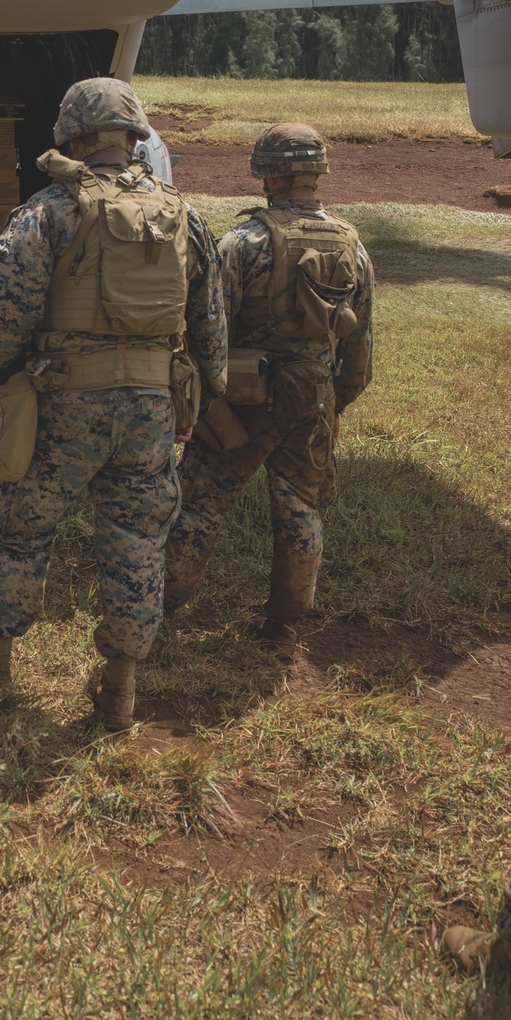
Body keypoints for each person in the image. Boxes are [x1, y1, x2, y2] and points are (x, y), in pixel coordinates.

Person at [0, 77, 227, 730]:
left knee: (18, 524)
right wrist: (198, 396)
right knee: (137, 541)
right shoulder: (183, 215)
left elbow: (0, 315)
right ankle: (121, 690)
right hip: (151, 412)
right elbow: (212, 324)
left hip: (64, 406)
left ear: (71, 136)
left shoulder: (49, 210)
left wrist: (0, 377)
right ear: (134, 138)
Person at [164, 123, 374, 645]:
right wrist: (334, 403)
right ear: (317, 172)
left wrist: (200, 401)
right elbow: (359, 349)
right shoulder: (354, 247)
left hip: (242, 403)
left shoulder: (243, 243)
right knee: (301, 507)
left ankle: (163, 608)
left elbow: (208, 328)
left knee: (199, 504)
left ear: (266, 175)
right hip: (312, 400)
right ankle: (284, 624)